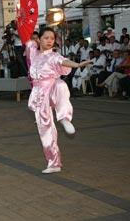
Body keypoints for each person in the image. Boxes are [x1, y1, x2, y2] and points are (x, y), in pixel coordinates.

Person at [24, 27, 91, 174]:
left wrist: (77, 65)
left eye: (52, 39)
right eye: (46, 38)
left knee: (60, 85)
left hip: (52, 87)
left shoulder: (54, 56)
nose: (49, 41)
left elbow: (64, 61)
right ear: (39, 39)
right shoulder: (33, 53)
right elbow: (28, 43)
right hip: (38, 94)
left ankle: (64, 117)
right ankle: (54, 163)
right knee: (45, 129)